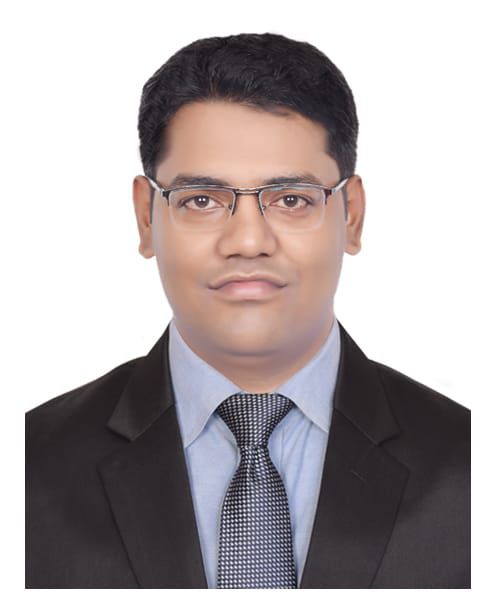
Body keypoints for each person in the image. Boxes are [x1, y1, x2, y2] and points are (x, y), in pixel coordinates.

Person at [25, 32, 470, 589]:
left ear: (351, 215)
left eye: (291, 199)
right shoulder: (26, 466)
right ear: (146, 218)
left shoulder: (473, 466)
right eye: (201, 200)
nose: (248, 242)